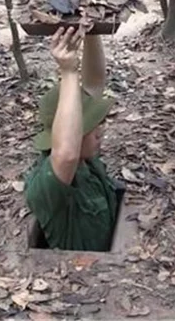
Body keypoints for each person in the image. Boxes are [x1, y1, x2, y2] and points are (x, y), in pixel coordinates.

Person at [23, 26, 120, 252]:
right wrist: (68, 71)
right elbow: (66, 153)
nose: (100, 131)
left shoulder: (86, 163)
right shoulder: (46, 187)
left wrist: (93, 27)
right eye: (89, 127)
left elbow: (94, 83)